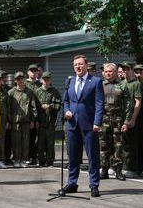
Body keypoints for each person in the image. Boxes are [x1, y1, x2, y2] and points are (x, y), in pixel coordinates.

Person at [61, 54, 104, 197]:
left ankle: (94, 185)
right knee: (73, 156)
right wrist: (66, 110)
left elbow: (99, 104)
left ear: (86, 65)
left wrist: (97, 122)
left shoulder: (95, 81)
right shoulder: (70, 81)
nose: (78, 67)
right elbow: (66, 101)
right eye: (75, 65)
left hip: (89, 125)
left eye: (80, 64)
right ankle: (72, 183)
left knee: (92, 156)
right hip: (72, 124)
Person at [99, 63, 126, 180]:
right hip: (104, 119)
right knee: (104, 144)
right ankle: (104, 169)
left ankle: (118, 170)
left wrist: (126, 121)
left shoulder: (121, 86)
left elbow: (127, 104)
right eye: (106, 71)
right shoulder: (99, 86)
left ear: (115, 73)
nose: (108, 73)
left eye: (110, 71)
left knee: (118, 145)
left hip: (117, 119)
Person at [8, 72, 37, 168]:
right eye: (18, 79)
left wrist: (33, 120)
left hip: (26, 121)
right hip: (14, 121)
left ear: (24, 79)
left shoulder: (29, 92)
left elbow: (33, 107)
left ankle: (24, 159)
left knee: (25, 141)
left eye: (21, 79)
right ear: (15, 80)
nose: (20, 81)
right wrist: (9, 120)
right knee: (16, 142)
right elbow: (8, 108)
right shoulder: (11, 92)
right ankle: (16, 159)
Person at [119, 62, 142, 178]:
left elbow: (138, 102)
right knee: (123, 143)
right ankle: (124, 166)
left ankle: (133, 168)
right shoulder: (121, 83)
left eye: (128, 69)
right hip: (121, 116)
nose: (125, 71)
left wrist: (132, 119)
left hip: (132, 115)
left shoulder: (135, 84)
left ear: (132, 70)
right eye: (123, 69)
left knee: (132, 144)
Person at [35, 73, 62, 167]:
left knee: (50, 143)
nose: (46, 82)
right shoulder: (37, 91)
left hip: (50, 121)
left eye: (48, 80)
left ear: (50, 81)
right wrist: (35, 120)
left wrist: (50, 106)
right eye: (44, 80)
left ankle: (50, 161)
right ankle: (41, 161)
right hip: (40, 122)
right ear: (42, 80)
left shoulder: (54, 92)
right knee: (40, 142)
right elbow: (33, 107)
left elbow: (59, 105)